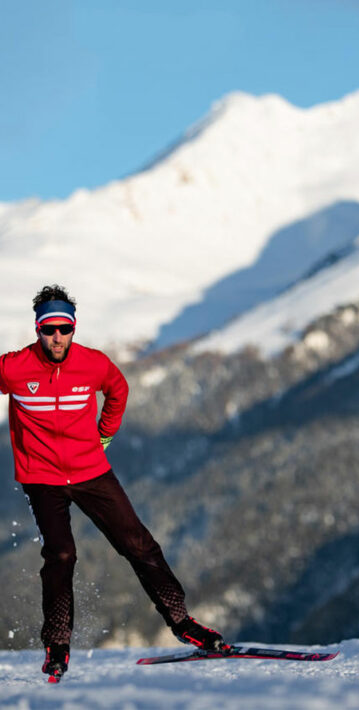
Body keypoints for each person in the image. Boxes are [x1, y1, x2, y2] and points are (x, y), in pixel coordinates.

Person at [0, 285, 225, 680]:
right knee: (61, 555)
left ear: (74, 328)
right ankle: (57, 645)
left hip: (91, 472)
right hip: (42, 479)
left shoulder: (93, 363)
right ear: (37, 329)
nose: (57, 337)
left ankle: (183, 624)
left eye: (64, 329)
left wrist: (104, 435)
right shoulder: (14, 367)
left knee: (139, 544)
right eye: (49, 329)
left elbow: (118, 390)